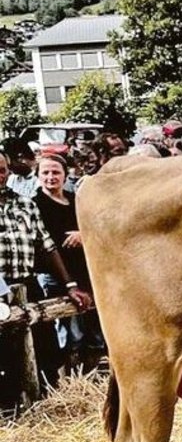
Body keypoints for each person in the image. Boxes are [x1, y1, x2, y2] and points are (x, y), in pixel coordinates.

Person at [0, 152, 93, 410]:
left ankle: (44, 404)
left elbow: (48, 247)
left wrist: (70, 285)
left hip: (26, 283)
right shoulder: (38, 201)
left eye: (2, 170)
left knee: (45, 348)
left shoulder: (25, 204)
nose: (0, 175)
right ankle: (9, 410)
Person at [34, 153, 101, 374]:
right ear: (38, 175)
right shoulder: (36, 205)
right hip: (57, 276)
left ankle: (93, 377)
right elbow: (47, 246)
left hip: (86, 274)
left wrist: (84, 234)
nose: (50, 177)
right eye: (45, 172)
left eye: (55, 172)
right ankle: (72, 381)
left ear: (65, 175)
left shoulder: (76, 201)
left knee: (94, 332)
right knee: (71, 333)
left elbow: (98, 229)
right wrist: (69, 283)